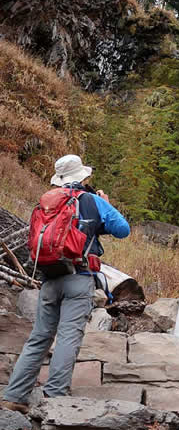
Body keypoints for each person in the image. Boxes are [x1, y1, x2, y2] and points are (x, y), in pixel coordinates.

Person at [1, 155, 130, 414]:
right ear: (82, 177)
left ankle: (14, 396)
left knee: (39, 337)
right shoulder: (91, 201)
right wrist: (106, 205)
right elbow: (123, 229)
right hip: (79, 278)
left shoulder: (48, 202)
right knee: (68, 337)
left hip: (49, 277)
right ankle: (54, 397)